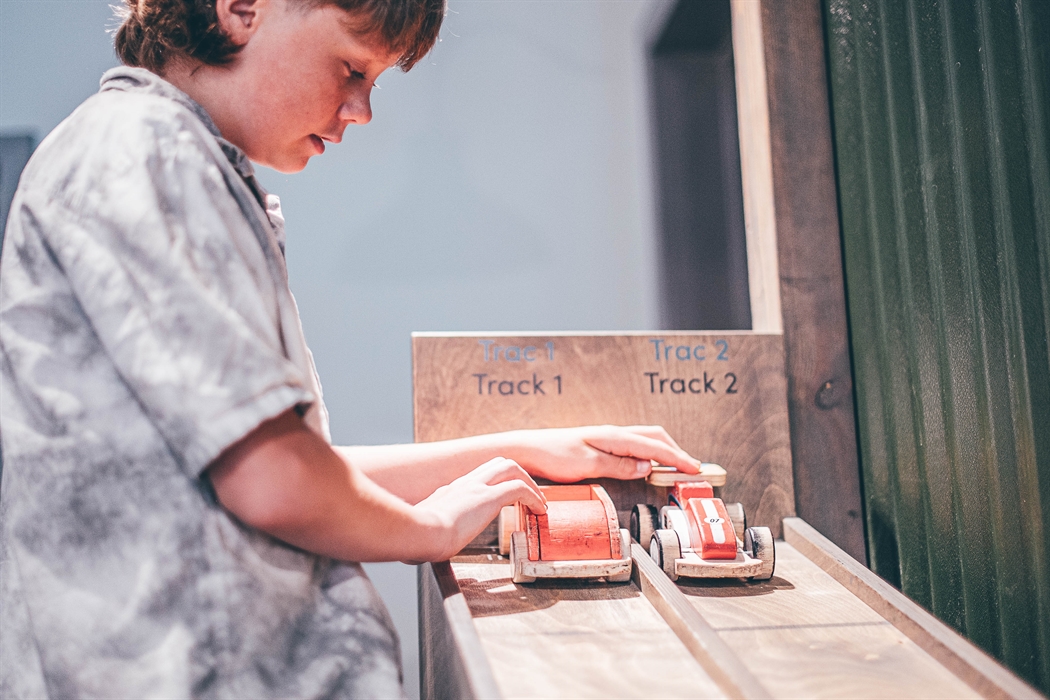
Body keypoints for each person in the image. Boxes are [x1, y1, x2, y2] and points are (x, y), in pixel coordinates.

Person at [0, 0, 702, 696]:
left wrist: (526, 450)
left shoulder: (171, 159)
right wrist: (428, 528)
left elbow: (297, 468)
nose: (361, 110)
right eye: (351, 69)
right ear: (243, 9)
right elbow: (277, 482)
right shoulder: (144, 149)